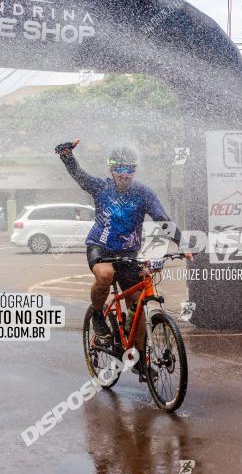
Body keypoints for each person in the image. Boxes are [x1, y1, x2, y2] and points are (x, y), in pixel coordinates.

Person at [54, 140, 189, 351]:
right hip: (101, 247)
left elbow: (162, 219)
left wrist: (183, 244)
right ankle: (98, 316)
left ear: (134, 170)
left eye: (129, 169)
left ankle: (140, 359)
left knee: (138, 308)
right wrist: (66, 156)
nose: (124, 174)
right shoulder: (101, 187)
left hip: (129, 253)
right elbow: (80, 176)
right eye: (118, 168)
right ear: (111, 168)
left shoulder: (143, 192)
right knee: (105, 275)